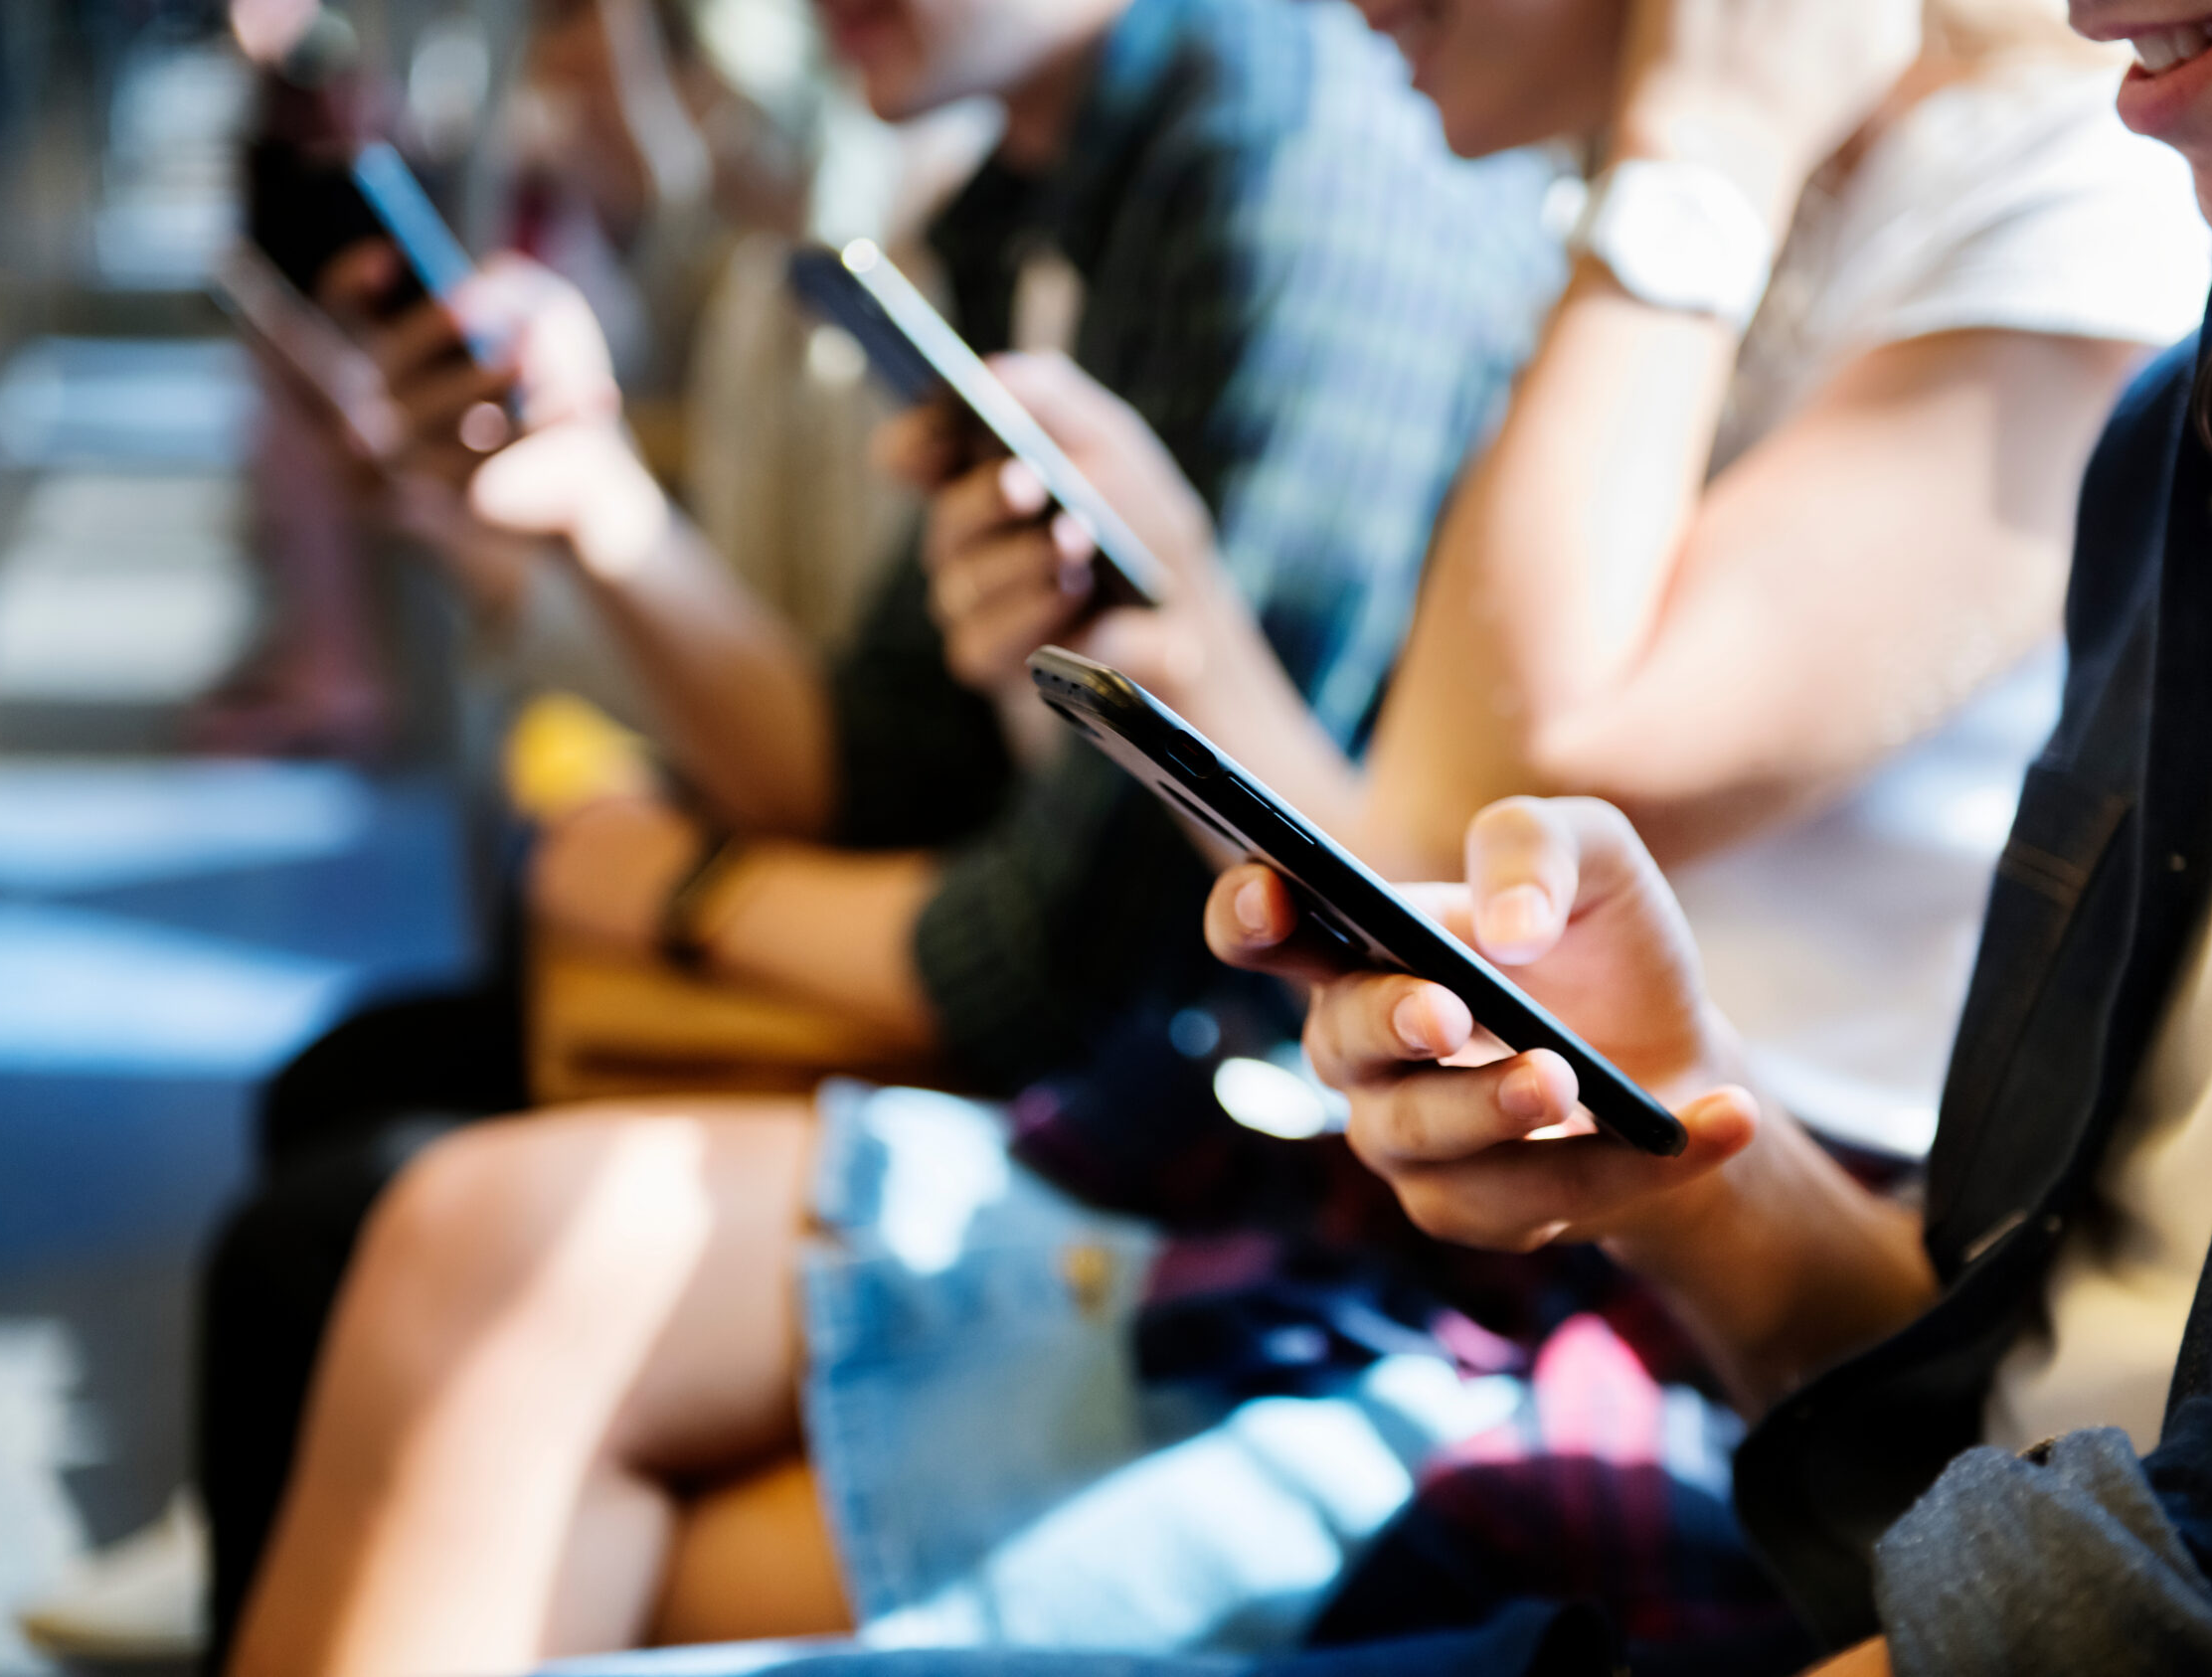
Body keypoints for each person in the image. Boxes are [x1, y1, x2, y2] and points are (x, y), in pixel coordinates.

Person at [219, 0, 1555, 1666]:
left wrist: (687, 888)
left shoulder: (1287, 160)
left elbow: (1061, 960)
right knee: (381, 1183)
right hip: (1177, 1104)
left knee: (397, 1227)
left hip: (1277, 1162)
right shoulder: (1028, 188)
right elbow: (879, 766)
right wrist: (597, 503)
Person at [1207, 0, 2212, 1666]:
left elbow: (2189, 1608)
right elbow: (1980, 1411)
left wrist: (1694, 153)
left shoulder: (2053, 241)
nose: (2087, 9)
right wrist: (1691, 1152)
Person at [925, 0, 2212, 1157]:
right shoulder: (1658, 195)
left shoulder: (2078, 193)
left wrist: (1703, 146)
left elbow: (1508, 799)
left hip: (1764, 1246)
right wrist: (1175, 623)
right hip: (1515, 1191)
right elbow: (1431, 877)